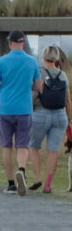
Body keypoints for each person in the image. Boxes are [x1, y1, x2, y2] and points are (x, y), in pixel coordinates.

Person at [0, 30, 38, 194]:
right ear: (23, 43)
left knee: (6, 146)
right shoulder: (31, 61)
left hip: (5, 108)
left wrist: (2, 85)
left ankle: (11, 182)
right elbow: (38, 86)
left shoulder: (2, 61)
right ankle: (22, 170)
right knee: (23, 144)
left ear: (10, 43)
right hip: (24, 108)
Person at [31, 44, 68, 195]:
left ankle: (37, 177)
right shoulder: (63, 75)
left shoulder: (39, 72)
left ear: (44, 57)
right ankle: (47, 184)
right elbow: (68, 100)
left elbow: (34, 94)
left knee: (33, 146)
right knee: (53, 151)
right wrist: (69, 119)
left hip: (40, 113)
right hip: (59, 115)